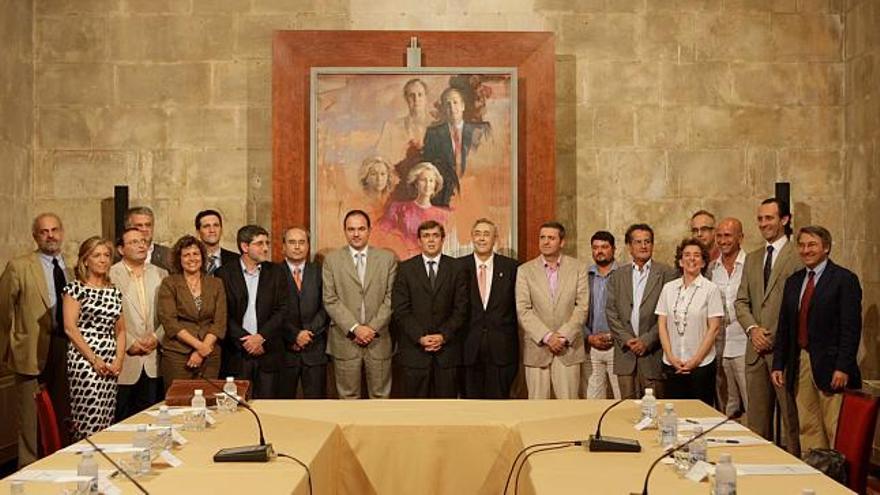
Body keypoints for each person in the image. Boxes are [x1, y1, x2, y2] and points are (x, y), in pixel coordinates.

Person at [772, 226, 862, 451]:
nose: (806, 250)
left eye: (812, 245)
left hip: (832, 367)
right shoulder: (794, 281)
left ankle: (838, 481)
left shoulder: (844, 279)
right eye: (801, 245)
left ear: (826, 248)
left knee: (834, 429)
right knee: (808, 426)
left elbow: (851, 329)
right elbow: (785, 326)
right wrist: (778, 363)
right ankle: (816, 473)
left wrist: (843, 367)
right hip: (801, 363)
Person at [0, 213, 72, 465]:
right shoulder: (19, 266)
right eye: (44, 231)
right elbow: (3, 311)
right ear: (35, 236)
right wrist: (10, 347)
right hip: (30, 351)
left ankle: (59, 462)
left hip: (63, 348)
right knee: (30, 419)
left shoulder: (69, 267)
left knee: (63, 412)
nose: (50, 235)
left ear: (62, 232)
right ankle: (28, 468)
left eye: (54, 230)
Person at [735, 198, 802, 456]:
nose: (764, 224)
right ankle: (758, 471)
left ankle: (797, 472)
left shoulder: (798, 256)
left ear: (784, 219)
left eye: (770, 218)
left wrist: (773, 336)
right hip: (755, 350)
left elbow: (797, 304)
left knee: (791, 420)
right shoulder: (753, 258)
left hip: (783, 352)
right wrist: (753, 330)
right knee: (756, 424)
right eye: (760, 219)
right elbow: (741, 301)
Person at [323, 210, 397, 399]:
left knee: (381, 398)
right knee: (348, 398)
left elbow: (391, 298)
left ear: (369, 230)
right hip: (345, 340)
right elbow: (330, 299)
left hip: (378, 340)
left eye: (361, 229)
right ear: (345, 231)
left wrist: (371, 328)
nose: (356, 234)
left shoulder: (387, 259)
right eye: (351, 229)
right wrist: (355, 329)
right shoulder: (331, 260)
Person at [392, 220, 468, 398]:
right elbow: (401, 309)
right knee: (416, 412)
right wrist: (420, 337)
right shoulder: (405, 269)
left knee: (446, 411)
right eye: (426, 236)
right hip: (415, 353)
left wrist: (443, 336)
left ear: (443, 239)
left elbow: (461, 309)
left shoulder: (457, 268)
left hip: (447, 353)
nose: (431, 240)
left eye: (435, 236)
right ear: (419, 241)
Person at [516, 221, 588, 399]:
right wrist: (547, 337)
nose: (546, 242)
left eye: (551, 238)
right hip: (537, 349)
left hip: (568, 349)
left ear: (561, 242)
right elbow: (523, 310)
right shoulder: (525, 271)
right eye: (542, 237)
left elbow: (582, 307)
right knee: (537, 411)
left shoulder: (578, 268)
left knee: (568, 407)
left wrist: (562, 337)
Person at [62, 236, 124, 441]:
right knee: (89, 418)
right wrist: (94, 359)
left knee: (106, 419)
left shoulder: (114, 291)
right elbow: (70, 328)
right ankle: (84, 463)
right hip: (85, 361)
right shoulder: (75, 288)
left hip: (110, 364)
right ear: (85, 260)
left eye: (107, 255)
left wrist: (118, 360)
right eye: (97, 255)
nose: (103, 260)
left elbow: (121, 330)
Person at [216, 225, 288, 398]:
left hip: (268, 352)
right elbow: (222, 313)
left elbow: (283, 310)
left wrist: (260, 337)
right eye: (259, 243)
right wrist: (246, 341)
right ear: (245, 247)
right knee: (237, 408)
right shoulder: (224, 273)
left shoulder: (276, 272)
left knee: (268, 410)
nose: (265, 248)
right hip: (237, 353)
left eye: (267, 243)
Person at [606, 224, 677, 399]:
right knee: (627, 411)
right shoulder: (617, 275)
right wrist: (627, 339)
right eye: (638, 242)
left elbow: (668, 314)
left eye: (647, 242)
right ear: (629, 247)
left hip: (653, 354)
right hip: (625, 354)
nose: (643, 246)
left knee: (655, 410)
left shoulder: (667, 273)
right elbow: (611, 312)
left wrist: (647, 340)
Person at [656, 239, 724, 406]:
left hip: (701, 365)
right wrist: (671, 357)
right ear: (680, 261)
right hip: (672, 364)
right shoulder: (668, 288)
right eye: (687, 255)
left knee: (700, 416)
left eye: (696, 255)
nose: (691, 259)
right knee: (673, 414)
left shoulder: (711, 289)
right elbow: (662, 324)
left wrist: (695, 360)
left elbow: (714, 328)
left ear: (703, 262)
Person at [110, 228, 167, 421]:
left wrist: (156, 337)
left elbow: (169, 314)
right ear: (120, 249)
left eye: (143, 241)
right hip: (125, 359)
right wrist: (130, 342)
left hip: (153, 359)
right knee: (122, 419)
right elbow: (107, 316)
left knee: (150, 420)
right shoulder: (110, 275)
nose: (141, 245)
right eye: (134, 242)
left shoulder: (160, 273)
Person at [459, 219, 519, 399]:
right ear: (472, 237)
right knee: (471, 408)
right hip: (467, 349)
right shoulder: (458, 267)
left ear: (495, 239)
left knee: (499, 406)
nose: (482, 238)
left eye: (486, 234)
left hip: (502, 351)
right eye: (477, 234)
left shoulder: (512, 268)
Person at [157, 235, 227, 388]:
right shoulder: (169, 283)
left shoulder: (216, 283)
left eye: (196, 254)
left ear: (202, 257)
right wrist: (199, 346)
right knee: (179, 405)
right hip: (177, 354)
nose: (192, 258)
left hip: (210, 355)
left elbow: (219, 321)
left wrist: (203, 350)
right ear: (179, 259)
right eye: (186, 255)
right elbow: (170, 321)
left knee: (208, 404)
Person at [278, 227, 328, 399]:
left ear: (308, 246)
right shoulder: (272, 273)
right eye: (292, 242)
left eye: (302, 242)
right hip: (285, 351)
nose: (297, 247)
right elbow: (271, 311)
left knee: (317, 406)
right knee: (283, 407)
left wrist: (307, 334)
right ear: (283, 247)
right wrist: (294, 335)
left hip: (314, 350)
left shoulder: (320, 271)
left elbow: (326, 307)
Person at [421, 87, 490, 207]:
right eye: (447, 104)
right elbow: (428, 168)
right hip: (444, 196)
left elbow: (490, 164)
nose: (452, 107)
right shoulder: (433, 134)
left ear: (463, 106)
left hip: (476, 193)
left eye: (455, 102)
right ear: (443, 109)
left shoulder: (480, 131)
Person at [711, 218, 748, 417]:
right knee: (725, 405)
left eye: (728, 235)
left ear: (740, 237)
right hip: (718, 345)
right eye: (719, 236)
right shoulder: (711, 269)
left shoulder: (751, 264)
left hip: (744, 344)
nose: (723, 240)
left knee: (750, 402)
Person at [379, 162, 450, 256]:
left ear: (435, 185)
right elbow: (382, 235)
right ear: (416, 183)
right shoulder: (398, 209)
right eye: (423, 180)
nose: (427, 184)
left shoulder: (444, 215)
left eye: (431, 180)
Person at [583, 231, 621, 399]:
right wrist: (588, 337)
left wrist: (617, 335)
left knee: (621, 396)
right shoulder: (585, 276)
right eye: (596, 247)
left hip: (618, 346)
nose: (600, 251)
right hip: (591, 345)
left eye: (604, 247)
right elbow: (576, 309)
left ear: (614, 249)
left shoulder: (624, 274)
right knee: (593, 398)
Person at [125, 206, 172, 272]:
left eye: (148, 225)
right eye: (139, 225)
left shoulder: (168, 255)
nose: (144, 229)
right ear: (128, 228)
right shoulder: (118, 256)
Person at [195, 209, 238, 276]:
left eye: (216, 225)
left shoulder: (236, 260)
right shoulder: (191, 260)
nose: (212, 230)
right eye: (206, 226)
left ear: (221, 230)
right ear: (198, 232)